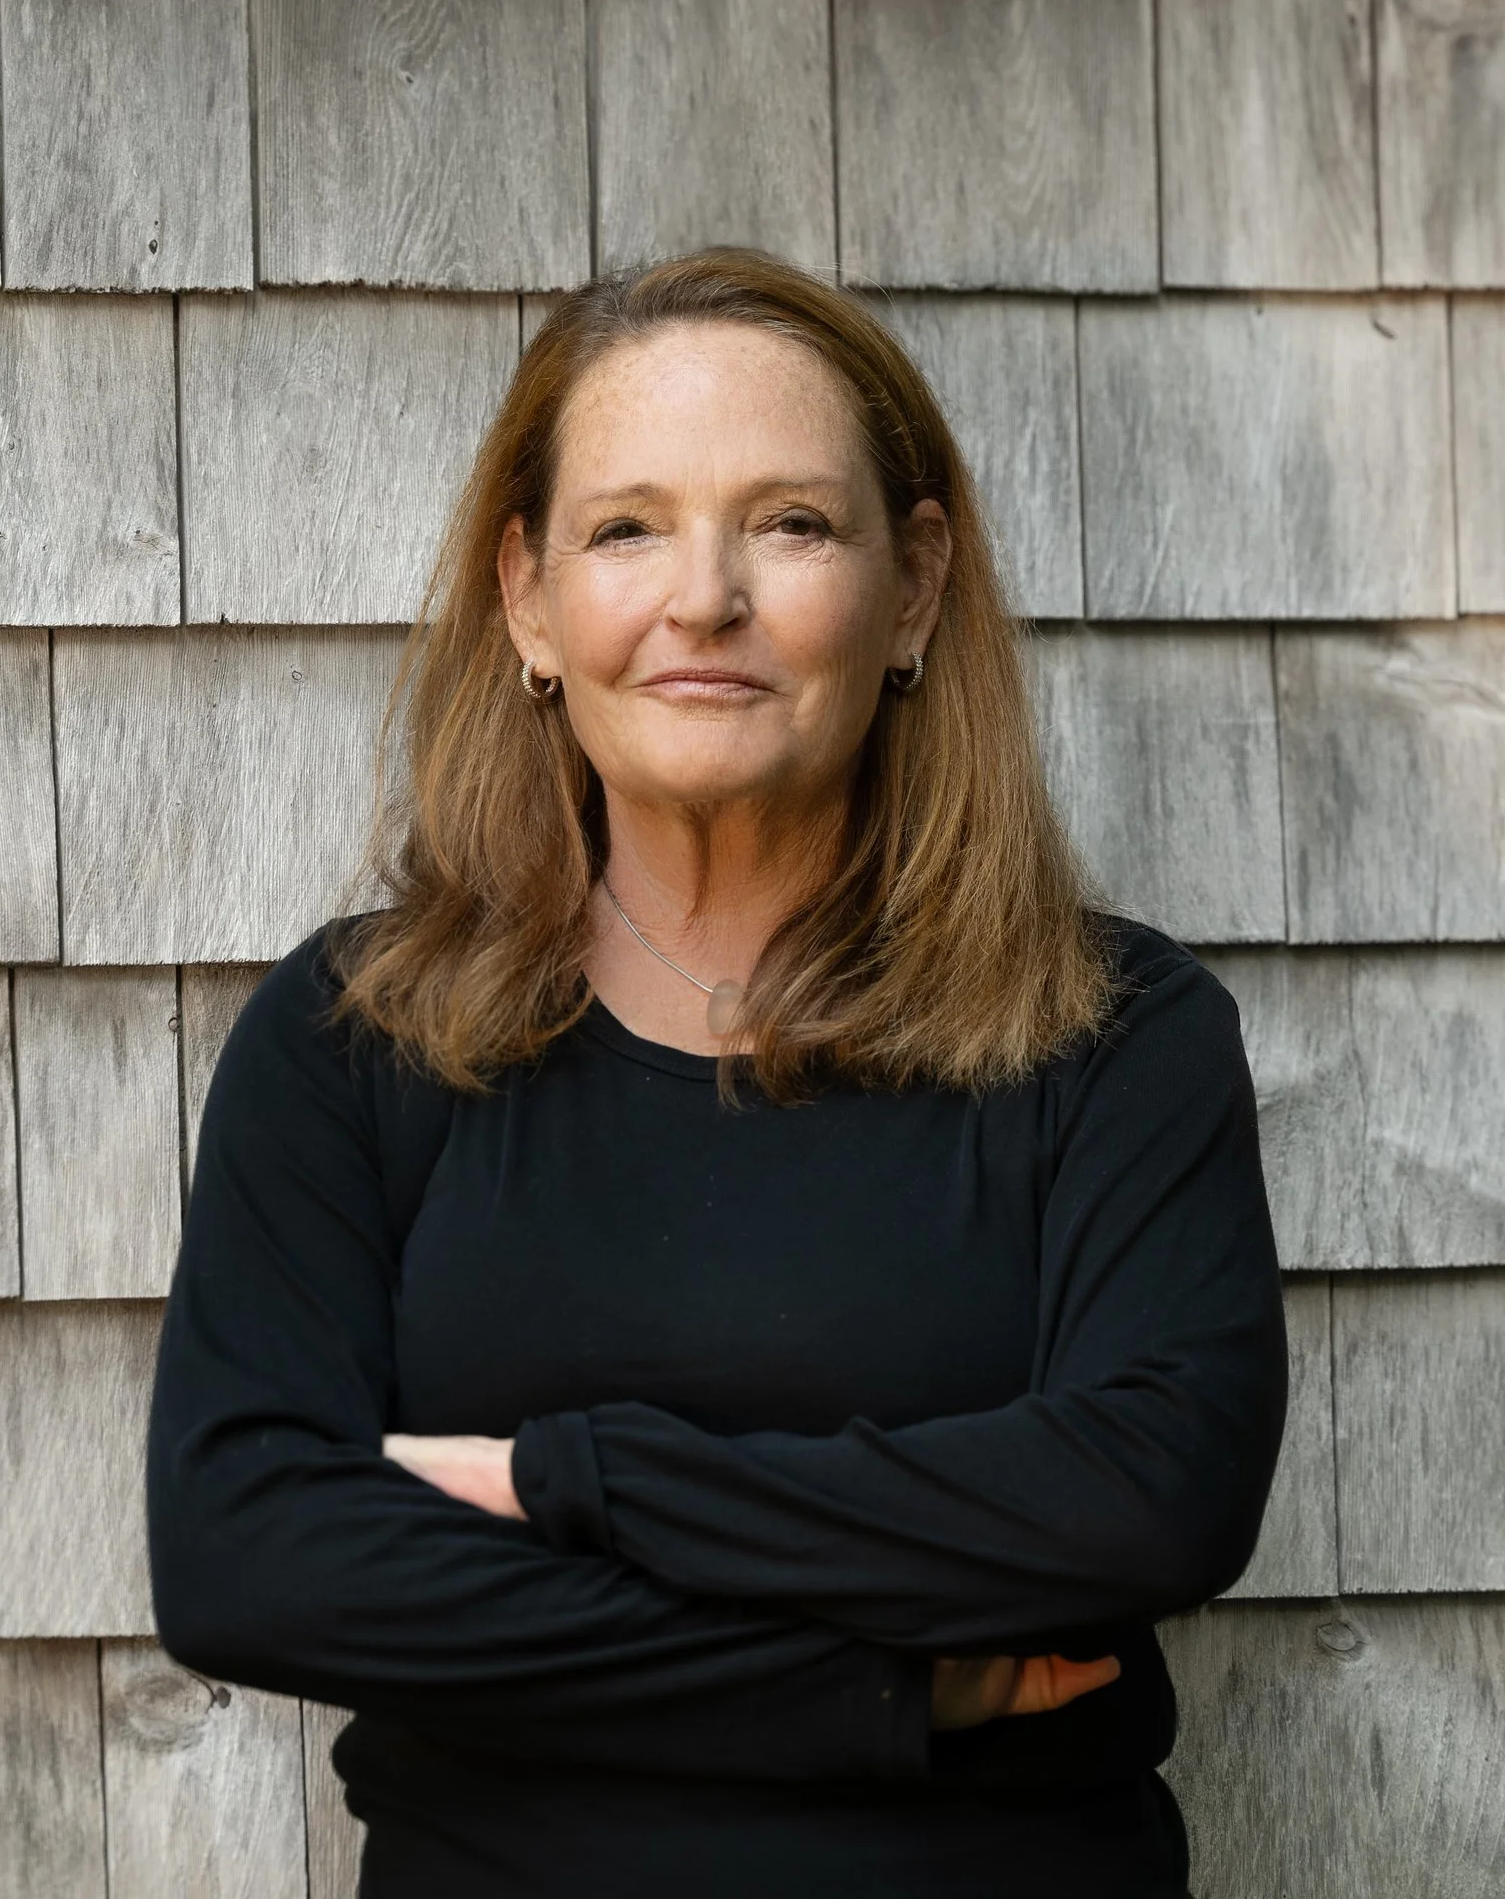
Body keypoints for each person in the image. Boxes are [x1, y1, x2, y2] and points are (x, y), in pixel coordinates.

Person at [147, 247, 1288, 1898]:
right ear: (530, 602)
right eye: (628, 529)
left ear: (914, 588)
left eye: (791, 524)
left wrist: (567, 1482)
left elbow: (1148, 1505)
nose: (704, 599)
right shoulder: (355, 1037)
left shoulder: (1112, 1032)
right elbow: (246, 1560)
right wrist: (877, 1694)